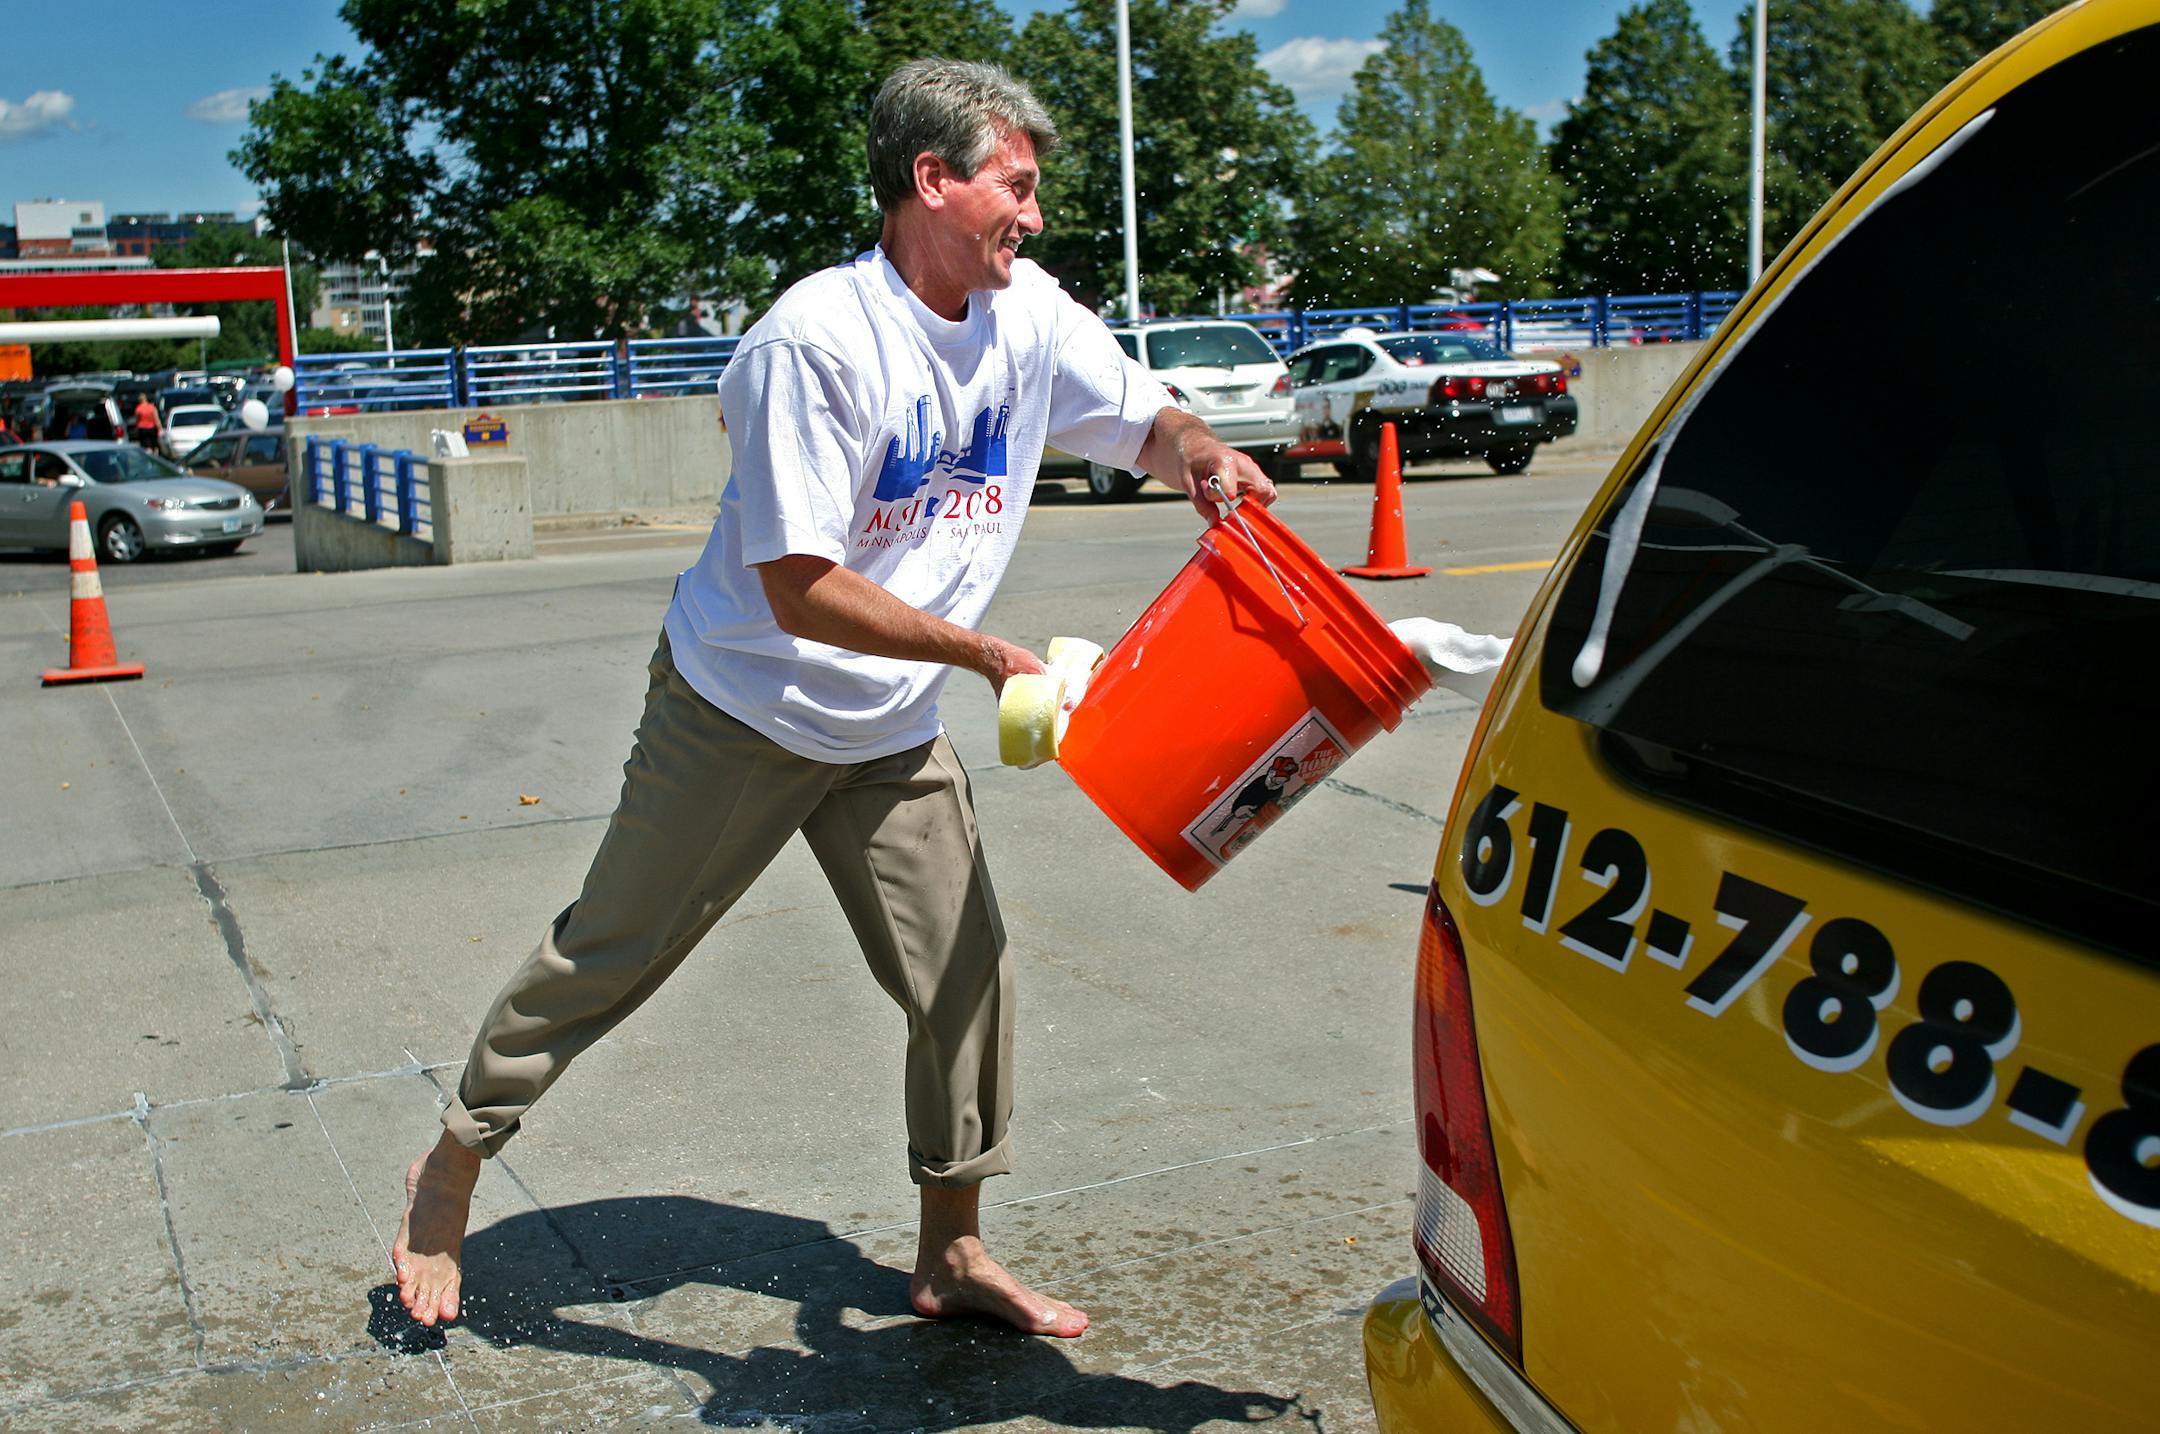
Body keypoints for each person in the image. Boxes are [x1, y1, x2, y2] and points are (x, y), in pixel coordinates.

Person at [390, 57, 1276, 1338]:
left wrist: (1197, 450)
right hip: (744, 704)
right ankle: (454, 1164)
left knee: (965, 975)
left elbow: (1143, 420)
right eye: (1015, 186)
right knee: (610, 954)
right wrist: (984, 657)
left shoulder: (1028, 314)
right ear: (934, 180)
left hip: (889, 729)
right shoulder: (814, 341)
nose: (1034, 215)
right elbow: (802, 587)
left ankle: (952, 1251)